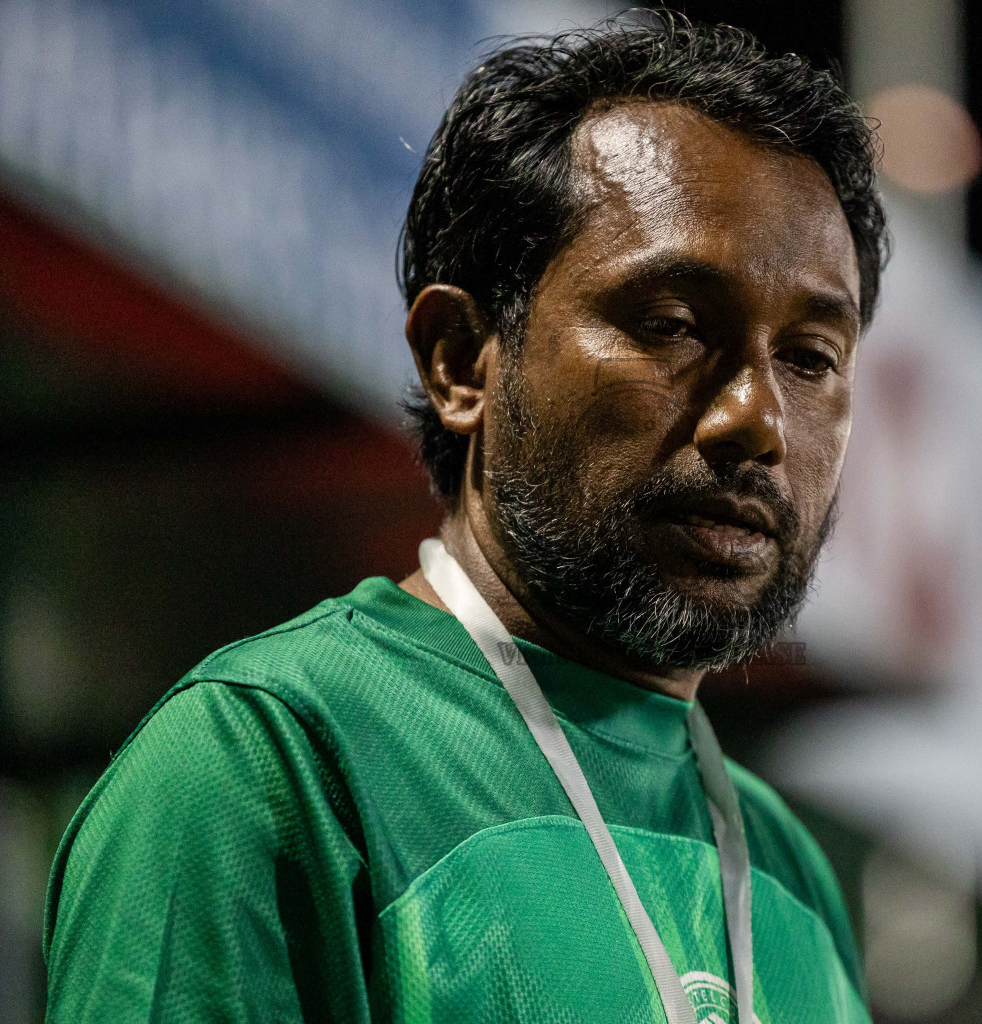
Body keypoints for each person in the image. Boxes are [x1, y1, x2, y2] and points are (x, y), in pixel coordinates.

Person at [43, 14, 886, 1023]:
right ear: (459, 357)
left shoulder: (790, 875)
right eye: (669, 325)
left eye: (808, 357)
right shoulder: (271, 762)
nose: (754, 418)